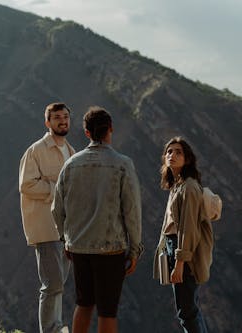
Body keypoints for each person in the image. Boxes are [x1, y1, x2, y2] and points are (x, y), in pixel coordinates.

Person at [52, 106, 143, 333]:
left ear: (86, 133)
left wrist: (66, 239)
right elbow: (132, 211)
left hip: (79, 248)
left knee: (83, 304)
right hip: (111, 249)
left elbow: (57, 208)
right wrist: (134, 249)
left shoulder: (70, 165)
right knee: (107, 311)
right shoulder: (123, 164)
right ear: (110, 129)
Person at [19, 102, 74, 333]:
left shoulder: (71, 152)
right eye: (57, 117)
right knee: (51, 284)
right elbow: (26, 184)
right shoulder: (36, 150)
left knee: (59, 283)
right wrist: (56, 189)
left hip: (67, 230)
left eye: (65, 117)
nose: (63, 121)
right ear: (47, 123)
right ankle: (51, 329)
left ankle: (57, 326)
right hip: (46, 227)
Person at [153, 137, 213, 333]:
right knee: (189, 309)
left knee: (186, 311)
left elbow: (188, 228)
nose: (172, 155)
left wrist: (180, 263)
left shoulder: (188, 187)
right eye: (169, 151)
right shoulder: (176, 186)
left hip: (183, 251)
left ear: (187, 159)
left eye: (178, 152)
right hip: (174, 248)